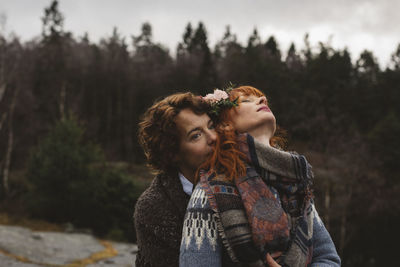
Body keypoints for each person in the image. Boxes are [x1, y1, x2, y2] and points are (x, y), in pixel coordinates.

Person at [180, 86, 341, 267]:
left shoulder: (295, 186)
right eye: (246, 100)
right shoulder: (209, 191)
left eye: (262, 98)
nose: (263, 100)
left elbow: (328, 259)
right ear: (225, 125)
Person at [134, 92, 217, 267]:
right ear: (173, 153)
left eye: (211, 126)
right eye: (196, 135)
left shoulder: (241, 174)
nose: (213, 137)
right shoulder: (154, 207)